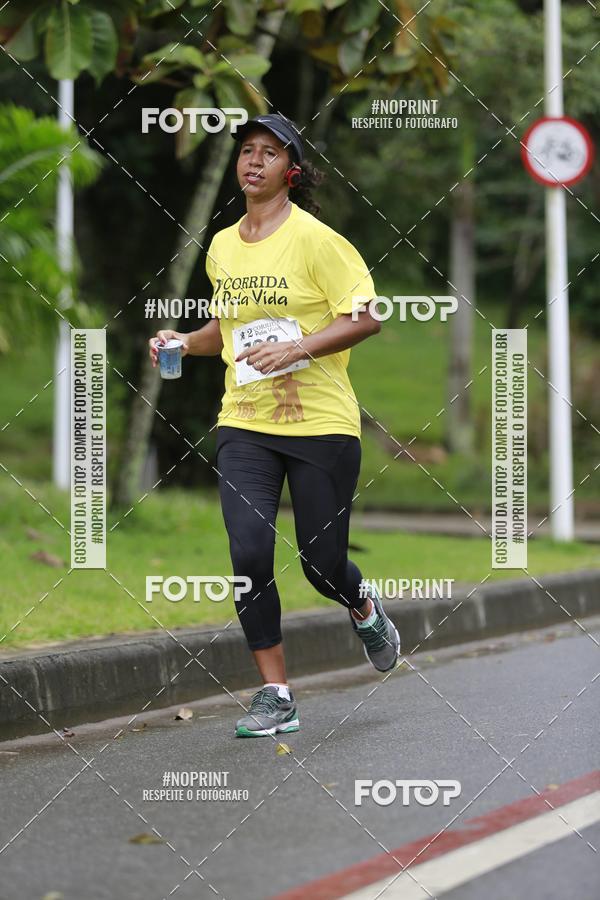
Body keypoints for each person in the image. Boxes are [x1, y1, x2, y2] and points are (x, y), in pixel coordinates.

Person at [149, 113, 401, 738]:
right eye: (245, 151)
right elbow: (225, 330)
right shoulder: (224, 246)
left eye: (268, 153)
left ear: (290, 170)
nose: (253, 161)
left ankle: (363, 606)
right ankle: (275, 693)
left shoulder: (318, 241)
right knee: (249, 552)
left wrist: (298, 349)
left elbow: (368, 317)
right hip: (245, 423)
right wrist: (183, 340)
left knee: (321, 563)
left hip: (321, 425)